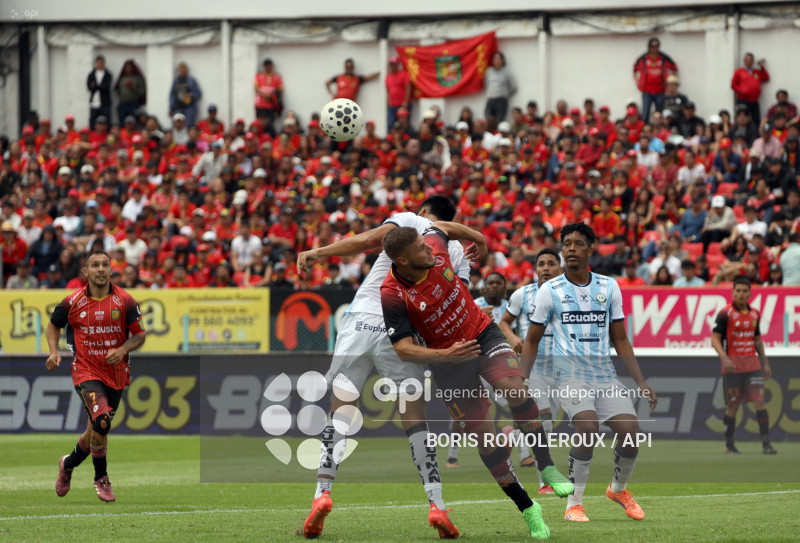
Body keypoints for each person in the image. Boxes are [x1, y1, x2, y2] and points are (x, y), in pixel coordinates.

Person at [296, 197, 484, 539]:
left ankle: (321, 494)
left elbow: (365, 240)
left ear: (424, 213)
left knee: (341, 409)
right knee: (414, 417)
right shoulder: (454, 252)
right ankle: (436, 504)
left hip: (361, 320)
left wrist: (318, 252)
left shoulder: (407, 221)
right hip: (402, 330)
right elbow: (457, 296)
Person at [380, 225, 573, 540]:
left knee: (515, 389)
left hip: (483, 333)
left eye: (427, 245)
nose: (429, 250)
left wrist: (480, 238)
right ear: (402, 261)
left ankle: (547, 466)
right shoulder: (393, 294)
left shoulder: (433, 246)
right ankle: (528, 508)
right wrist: (448, 355)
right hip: (448, 363)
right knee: (486, 442)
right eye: (421, 249)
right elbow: (401, 348)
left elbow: (439, 227)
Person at [523, 222, 658, 523]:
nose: (571, 248)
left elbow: (620, 338)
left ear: (591, 248)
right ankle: (574, 504)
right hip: (569, 375)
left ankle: (618, 490)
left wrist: (640, 381)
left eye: (578, 243)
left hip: (605, 376)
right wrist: (522, 379)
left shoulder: (609, 287)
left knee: (630, 434)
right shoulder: (551, 290)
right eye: (566, 244)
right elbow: (531, 340)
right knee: (587, 427)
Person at [47, 250, 146, 502]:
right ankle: (101, 479)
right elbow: (53, 324)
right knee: (102, 421)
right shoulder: (73, 301)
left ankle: (68, 463)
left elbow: (139, 335)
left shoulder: (125, 300)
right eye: (95, 265)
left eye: (105, 265)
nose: (100, 269)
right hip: (86, 371)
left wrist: (123, 349)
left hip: (116, 373)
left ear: (111, 270)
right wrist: (53, 352)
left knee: (94, 431)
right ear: (86, 272)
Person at [499, 249, 562, 490]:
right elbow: (504, 321)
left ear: (560, 269)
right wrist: (512, 336)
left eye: (551, 263)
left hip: (562, 369)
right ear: (535, 269)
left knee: (558, 424)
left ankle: (513, 435)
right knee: (543, 421)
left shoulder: (569, 296)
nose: (546, 267)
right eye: (541, 264)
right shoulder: (521, 295)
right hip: (533, 367)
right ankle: (543, 481)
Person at [711, 277, 776, 455]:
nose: (741, 294)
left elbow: (756, 340)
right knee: (733, 406)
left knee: (760, 402)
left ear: (750, 293)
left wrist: (765, 362)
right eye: (738, 290)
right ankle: (729, 445)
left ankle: (766, 445)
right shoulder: (725, 313)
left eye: (744, 291)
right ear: (733, 292)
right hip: (732, 367)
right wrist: (724, 358)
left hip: (753, 365)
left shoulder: (755, 313)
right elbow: (714, 338)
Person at [633, 37, 678, 123]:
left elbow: (674, 67)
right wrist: (637, 81)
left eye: (656, 46)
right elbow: (634, 69)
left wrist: (670, 82)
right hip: (647, 91)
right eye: (652, 46)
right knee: (645, 114)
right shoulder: (643, 58)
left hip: (660, 91)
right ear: (649, 47)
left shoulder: (664, 58)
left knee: (660, 113)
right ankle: (646, 132)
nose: (654, 48)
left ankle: (659, 130)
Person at [731, 53, 769, 124]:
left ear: (753, 62)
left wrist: (762, 67)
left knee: (756, 120)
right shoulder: (739, 72)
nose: (749, 62)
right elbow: (733, 85)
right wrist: (741, 90)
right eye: (747, 60)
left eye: (751, 60)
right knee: (742, 119)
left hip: (754, 100)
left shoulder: (757, 72)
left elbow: (766, 78)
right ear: (744, 61)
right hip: (743, 99)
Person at [484, 51, 516, 122]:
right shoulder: (489, 71)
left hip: (501, 100)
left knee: (499, 121)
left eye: (499, 58)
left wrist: (504, 93)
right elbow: (486, 84)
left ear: (502, 60)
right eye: (495, 58)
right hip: (491, 99)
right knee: (488, 120)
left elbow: (513, 87)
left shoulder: (507, 72)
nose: (497, 60)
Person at [169, 62, 202, 127]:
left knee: (188, 125)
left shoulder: (191, 80)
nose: (182, 70)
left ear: (187, 70)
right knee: (176, 124)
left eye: (184, 68)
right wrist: (171, 107)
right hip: (178, 106)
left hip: (190, 106)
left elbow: (198, 94)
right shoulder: (176, 80)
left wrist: (190, 95)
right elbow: (172, 94)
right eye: (180, 68)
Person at [253, 58, 283, 129]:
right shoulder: (259, 75)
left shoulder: (277, 76)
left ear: (272, 66)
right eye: (266, 66)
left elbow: (280, 89)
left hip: (271, 105)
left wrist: (270, 96)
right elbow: (256, 88)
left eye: (269, 66)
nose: (267, 67)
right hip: (260, 104)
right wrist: (265, 94)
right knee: (259, 123)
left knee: (270, 123)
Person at [114, 59, 146, 125]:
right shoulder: (122, 78)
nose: (128, 69)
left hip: (133, 104)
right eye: (127, 68)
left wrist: (133, 88)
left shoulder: (137, 78)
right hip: (122, 104)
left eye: (130, 68)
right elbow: (118, 90)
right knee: (122, 122)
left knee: (133, 121)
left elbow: (142, 92)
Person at [385, 55, 411, 129]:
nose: (393, 66)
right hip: (392, 105)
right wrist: (389, 102)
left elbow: (408, 88)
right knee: (391, 124)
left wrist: (405, 102)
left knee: (404, 124)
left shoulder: (403, 74)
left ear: (397, 65)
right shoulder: (388, 77)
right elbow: (388, 91)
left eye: (394, 64)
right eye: (391, 64)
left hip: (402, 105)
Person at [87, 55, 112, 130]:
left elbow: (106, 87)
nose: (100, 64)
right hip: (94, 103)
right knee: (92, 120)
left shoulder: (107, 74)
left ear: (104, 63)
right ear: (96, 63)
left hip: (104, 102)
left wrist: (96, 86)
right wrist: (99, 86)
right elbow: (89, 87)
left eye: (102, 62)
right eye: (98, 62)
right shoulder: (91, 74)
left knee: (106, 120)